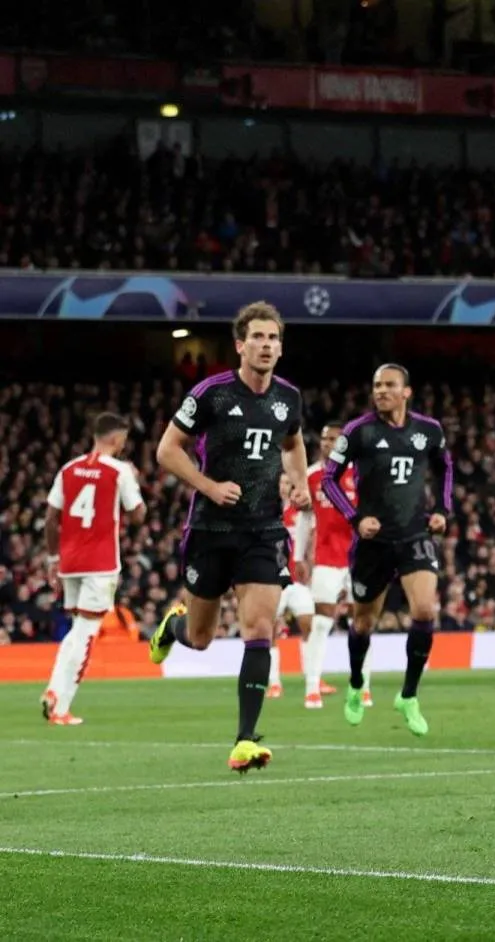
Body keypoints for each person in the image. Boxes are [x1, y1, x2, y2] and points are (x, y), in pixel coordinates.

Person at [149, 302, 309, 774]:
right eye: (257, 337)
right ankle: (171, 626)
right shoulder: (211, 394)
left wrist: (297, 480)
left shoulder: (288, 398)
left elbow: (294, 441)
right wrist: (209, 487)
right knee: (198, 638)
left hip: (263, 530)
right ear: (240, 345)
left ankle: (245, 739)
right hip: (210, 531)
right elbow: (166, 450)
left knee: (259, 629)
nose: (266, 345)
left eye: (273, 338)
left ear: (280, 347)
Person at [322, 364, 453, 736]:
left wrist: (442, 510)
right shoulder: (358, 431)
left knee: (425, 610)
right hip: (372, 543)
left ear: (406, 392)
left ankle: (408, 695)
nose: (381, 391)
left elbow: (446, 467)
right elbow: (331, 479)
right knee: (364, 622)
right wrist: (355, 517)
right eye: (377, 384)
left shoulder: (429, 431)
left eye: (389, 385)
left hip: (414, 535)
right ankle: (354, 682)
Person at [41, 412, 146, 725]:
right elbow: (137, 515)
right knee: (87, 634)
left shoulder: (68, 469)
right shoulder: (119, 471)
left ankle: (53, 691)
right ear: (116, 439)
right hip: (100, 563)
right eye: (124, 440)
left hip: (70, 562)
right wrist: (136, 483)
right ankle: (61, 708)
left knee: (76, 629)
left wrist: (51, 559)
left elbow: (50, 518)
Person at [305, 422, 363, 710]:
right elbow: (302, 515)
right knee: (320, 623)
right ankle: (312, 687)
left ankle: (362, 685)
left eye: (334, 439)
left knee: (361, 623)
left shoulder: (361, 474)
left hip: (358, 559)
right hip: (326, 559)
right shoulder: (312, 476)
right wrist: (301, 555)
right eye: (325, 438)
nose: (328, 443)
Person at [269, 473, 317, 700]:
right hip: (273, 579)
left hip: (297, 580)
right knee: (269, 631)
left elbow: (311, 539)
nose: (284, 487)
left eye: (288, 483)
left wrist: (310, 561)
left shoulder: (301, 512)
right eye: (281, 483)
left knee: (309, 625)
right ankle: (274, 682)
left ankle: (312, 678)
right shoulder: (268, 510)